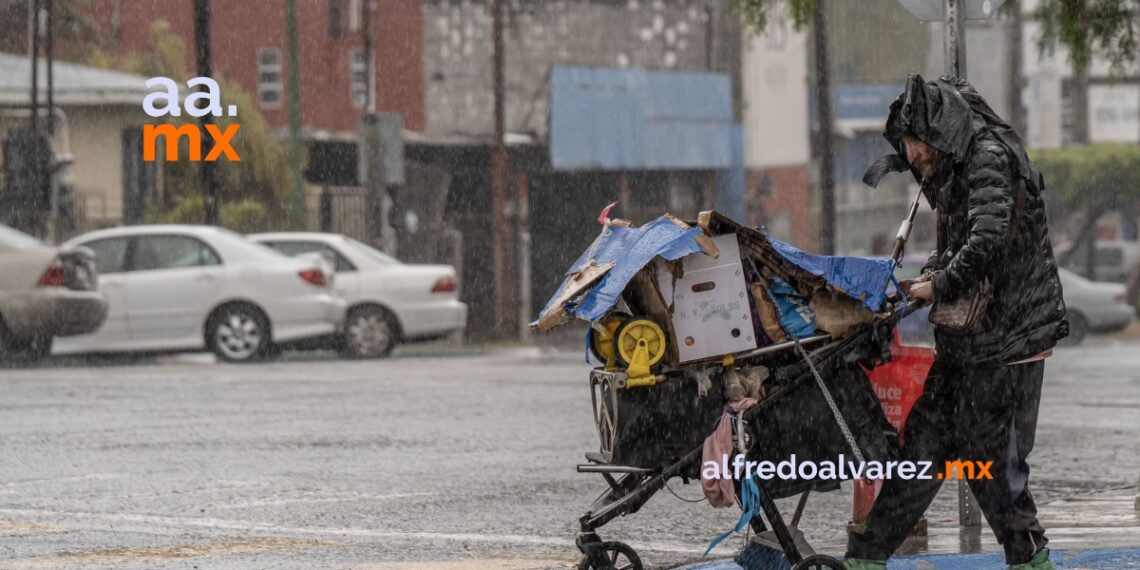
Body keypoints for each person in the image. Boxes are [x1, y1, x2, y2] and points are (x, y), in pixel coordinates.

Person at [846, 75, 1069, 570]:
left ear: (936, 131)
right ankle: (865, 557)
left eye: (913, 145)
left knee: (992, 468)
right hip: (967, 345)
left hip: (1007, 346)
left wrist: (938, 285)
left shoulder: (988, 156)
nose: (911, 156)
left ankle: (1031, 560)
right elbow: (961, 244)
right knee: (921, 455)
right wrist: (931, 273)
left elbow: (987, 241)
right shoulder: (954, 165)